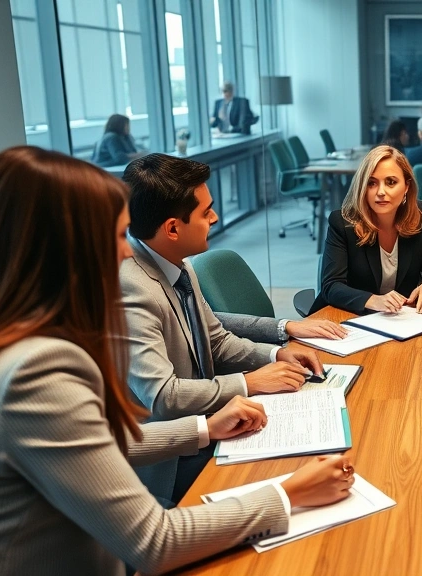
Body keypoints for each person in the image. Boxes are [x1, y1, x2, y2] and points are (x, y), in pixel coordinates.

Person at [0, 146, 354, 576]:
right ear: (67, 250)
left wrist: (203, 427)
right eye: (115, 236)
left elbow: (92, 443)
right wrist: (288, 494)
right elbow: (154, 541)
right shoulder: (34, 371)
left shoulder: (1, 343)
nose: (126, 253)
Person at [120, 153, 341, 503]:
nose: (216, 217)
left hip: (213, 422)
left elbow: (216, 341)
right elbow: (163, 396)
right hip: (173, 462)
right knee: (299, 474)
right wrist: (249, 382)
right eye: (206, 212)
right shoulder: (131, 286)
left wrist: (276, 353)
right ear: (173, 228)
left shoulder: (175, 262)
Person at [313, 145, 422, 315]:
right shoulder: (343, 223)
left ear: (406, 186)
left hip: (401, 318)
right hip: (348, 317)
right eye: (372, 183)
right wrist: (374, 300)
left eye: (391, 182)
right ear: (363, 187)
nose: (381, 192)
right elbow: (331, 286)